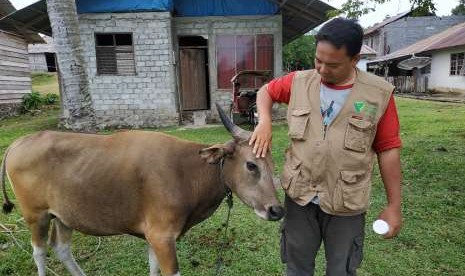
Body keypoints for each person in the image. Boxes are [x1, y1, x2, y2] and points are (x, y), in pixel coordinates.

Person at [249, 18, 402, 276]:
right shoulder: (299, 82)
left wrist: (394, 205)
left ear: (354, 60)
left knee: (341, 270)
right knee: (297, 268)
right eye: (318, 60)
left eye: (332, 64)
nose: (321, 69)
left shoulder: (378, 95)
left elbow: (388, 151)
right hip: (300, 197)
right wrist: (264, 120)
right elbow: (266, 91)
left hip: (346, 203)